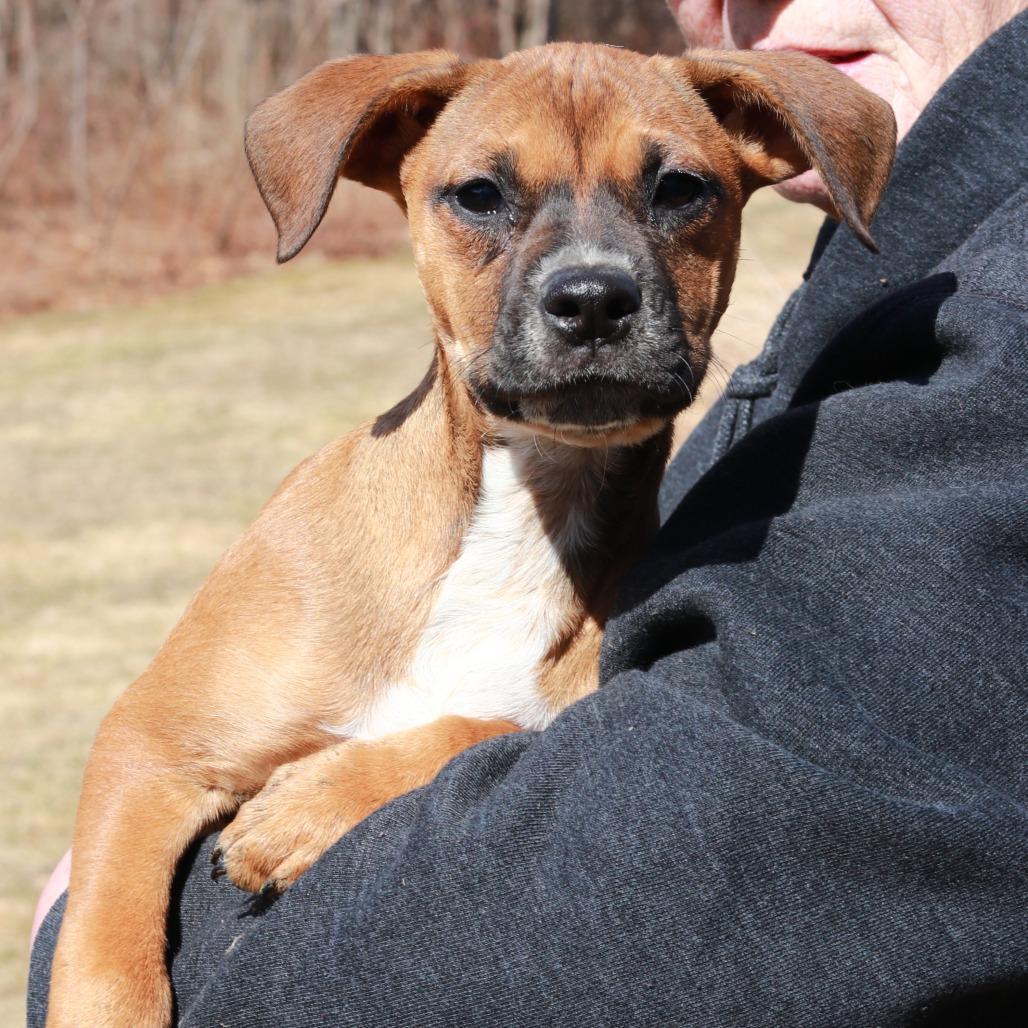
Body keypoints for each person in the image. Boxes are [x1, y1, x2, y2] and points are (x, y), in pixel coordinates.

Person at [29, 2, 1027, 1024]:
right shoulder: (312, 566)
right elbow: (153, 755)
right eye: (483, 199)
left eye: (674, 193)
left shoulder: (689, 570)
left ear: (759, 163)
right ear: (391, 171)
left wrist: (443, 749)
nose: (587, 275)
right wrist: (98, 979)